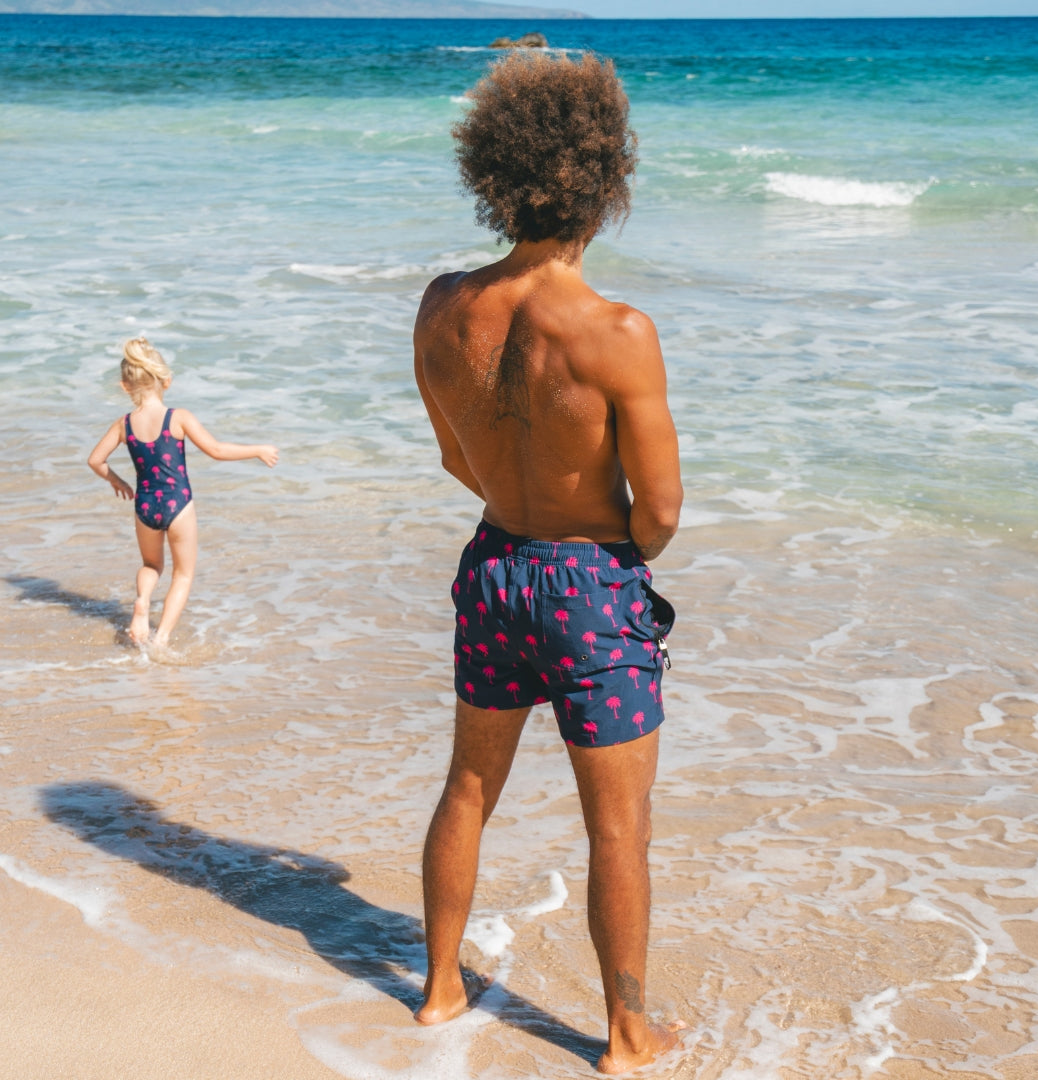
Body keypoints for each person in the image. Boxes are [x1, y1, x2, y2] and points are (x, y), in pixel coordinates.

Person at [412, 52, 683, 1075]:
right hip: (590, 583)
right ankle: (624, 1034)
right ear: (604, 180)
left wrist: (516, 515)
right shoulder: (616, 332)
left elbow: (452, 453)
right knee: (618, 827)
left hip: (491, 567)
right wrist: (617, 563)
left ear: (497, 174)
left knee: (469, 787)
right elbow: (657, 507)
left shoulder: (443, 305)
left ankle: (438, 988)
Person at [87, 337, 278, 648]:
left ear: (125, 386)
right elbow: (216, 450)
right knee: (183, 574)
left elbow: (95, 460)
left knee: (151, 566)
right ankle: (160, 639)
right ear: (167, 380)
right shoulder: (178, 417)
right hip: (179, 505)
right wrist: (256, 449)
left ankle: (142, 601)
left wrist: (118, 482)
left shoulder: (123, 425)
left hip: (145, 506)